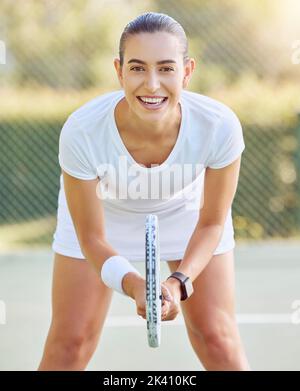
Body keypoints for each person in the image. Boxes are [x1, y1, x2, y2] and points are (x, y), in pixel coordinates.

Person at [38, 12, 250, 371]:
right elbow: (91, 237)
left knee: (217, 337)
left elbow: (212, 223)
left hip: (186, 216)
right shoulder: (82, 131)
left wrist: (178, 283)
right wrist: (135, 284)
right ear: (119, 71)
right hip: (102, 218)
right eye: (137, 68)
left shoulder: (220, 126)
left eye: (166, 68)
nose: (151, 85)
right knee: (69, 345)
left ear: (187, 71)